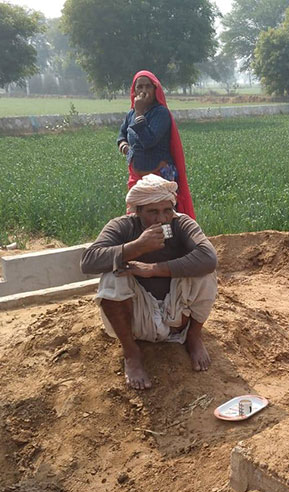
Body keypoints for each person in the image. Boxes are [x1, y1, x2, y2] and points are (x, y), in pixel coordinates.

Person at [80, 174, 217, 390]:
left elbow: (209, 258)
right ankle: (132, 354)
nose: (161, 219)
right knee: (111, 277)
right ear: (138, 211)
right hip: (140, 316)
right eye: (153, 212)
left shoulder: (181, 224)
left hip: (176, 313)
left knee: (206, 273)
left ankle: (193, 337)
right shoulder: (122, 227)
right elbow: (88, 262)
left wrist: (153, 270)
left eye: (166, 211)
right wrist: (136, 247)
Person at [117, 70, 195, 219]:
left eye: (148, 87)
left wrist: (139, 114)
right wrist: (125, 147)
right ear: (134, 91)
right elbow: (121, 135)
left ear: (155, 89)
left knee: (162, 217)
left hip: (160, 176)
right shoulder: (130, 114)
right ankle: (144, 242)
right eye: (139, 87)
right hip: (137, 177)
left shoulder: (160, 113)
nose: (144, 91)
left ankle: (169, 241)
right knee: (138, 217)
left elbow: (148, 141)